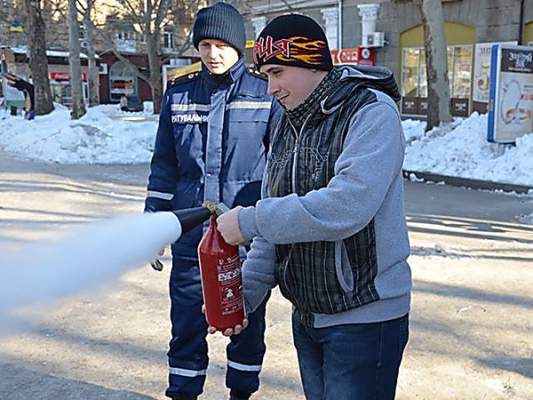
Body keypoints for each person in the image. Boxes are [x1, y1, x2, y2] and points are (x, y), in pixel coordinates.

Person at [216, 14, 412, 400]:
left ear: (311, 62)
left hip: (365, 318)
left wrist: (250, 220)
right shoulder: (286, 124)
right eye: (265, 76)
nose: (271, 88)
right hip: (308, 316)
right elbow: (272, 227)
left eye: (277, 72)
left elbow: (346, 206)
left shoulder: (370, 112)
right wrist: (244, 298)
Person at [144, 3, 281, 400]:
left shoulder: (265, 94)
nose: (212, 53)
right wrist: (154, 224)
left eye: (221, 44)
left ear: (239, 47)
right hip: (191, 241)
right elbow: (164, 166)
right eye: (204, 44)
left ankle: (241, 392)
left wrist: (272, 224)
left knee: (246, 325)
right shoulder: (179, 95)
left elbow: (278, 170)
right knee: (186, 326)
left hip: (245, 237)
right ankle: (183, 393)